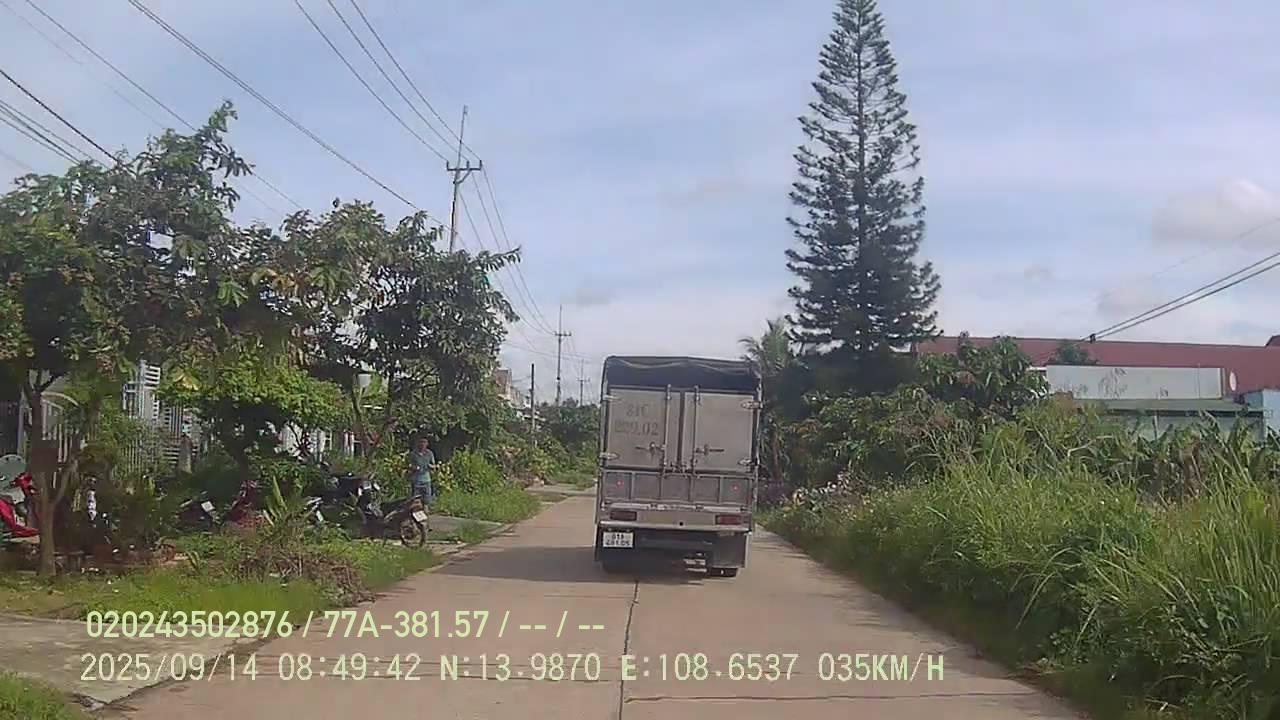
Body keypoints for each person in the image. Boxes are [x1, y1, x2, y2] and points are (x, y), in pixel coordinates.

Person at [407, 437, 436, 506]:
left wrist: (431, 466)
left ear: (427, 444)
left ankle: (426, 509)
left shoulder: (429, 453)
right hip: (416, 480)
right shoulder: (413, 454)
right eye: (421, 442)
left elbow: (434, 465)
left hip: (426, 480)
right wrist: (413, 467)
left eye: (424, 442)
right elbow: (409, 465)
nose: (422, 444)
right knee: (415, 500)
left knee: (427, 500)